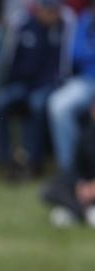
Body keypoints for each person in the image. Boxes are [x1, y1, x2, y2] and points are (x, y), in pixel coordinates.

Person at [0, 0, 74, 180]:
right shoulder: (22, 23)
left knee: (36, 104)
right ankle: (6, 160)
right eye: (49, 11)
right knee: (0, 103)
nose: (52, 15)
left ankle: (33, 161)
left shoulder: (65, 25)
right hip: (21, 83)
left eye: (55, 11)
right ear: (39, 10)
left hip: (48, 85)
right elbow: (8, 60)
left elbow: (64, 67)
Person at [48, 5, 95, 174]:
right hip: (86, 80)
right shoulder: (84, 20)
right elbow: (75, 54)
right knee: (58, 105)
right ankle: (71, 171)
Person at [41, 111, 95, 226]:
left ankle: (73, 211)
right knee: (49, 189)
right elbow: (75, 168)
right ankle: (84, 212)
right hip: (86, 185)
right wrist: (79, 184)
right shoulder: (86, 135)